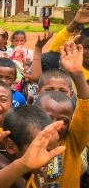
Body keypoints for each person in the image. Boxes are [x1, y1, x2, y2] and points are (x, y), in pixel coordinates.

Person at [36, 41, 89, 187]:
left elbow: (86, 110)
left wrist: (78, 75)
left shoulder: (73, 141)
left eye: (63, 121)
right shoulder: (26, 137)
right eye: (47, 117)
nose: (54, 124)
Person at [0, 105, 64, 187]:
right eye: (43, 150)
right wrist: (23, 165)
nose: (49, 158)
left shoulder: (39, 171)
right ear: (10, 146)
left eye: (52, 150)